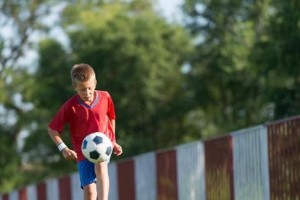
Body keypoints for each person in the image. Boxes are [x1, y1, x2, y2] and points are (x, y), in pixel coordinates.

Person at [47, 63, 123, 200]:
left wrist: (112, 141)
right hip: (83, 153)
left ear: (95, 83)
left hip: (103, 147)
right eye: (82, 89)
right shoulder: (70, 106)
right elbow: (52, 128)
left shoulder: (105, 97)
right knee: (90, 193)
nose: (87, 93)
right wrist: (63, 149)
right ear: (75, 87)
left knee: (100, 165)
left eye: (90, 88)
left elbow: (111, 116)